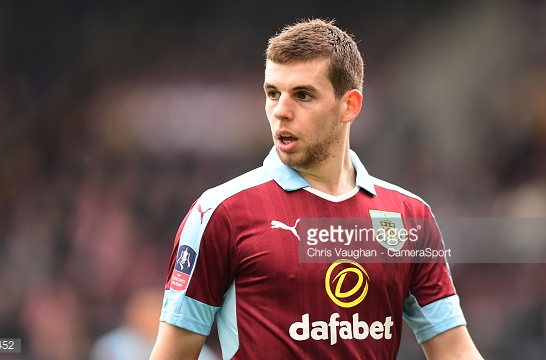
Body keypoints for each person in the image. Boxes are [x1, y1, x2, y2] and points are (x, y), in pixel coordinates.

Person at [150, 19, 483, 359]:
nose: (281, 111)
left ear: (349, 105)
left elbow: (454, 350)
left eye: (303, 95)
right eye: (272, 93)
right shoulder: (221, 213)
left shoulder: (409, 216)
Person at [90, 287, 218, 360]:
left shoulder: (196, 352)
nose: (148, 317)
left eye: (153, 309)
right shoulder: (109, 348)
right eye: (142, 310)